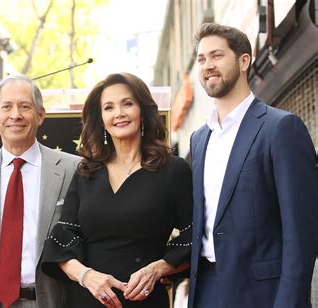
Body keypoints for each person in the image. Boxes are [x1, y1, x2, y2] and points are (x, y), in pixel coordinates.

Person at [188, 23, 318, 308]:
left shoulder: (281, 128)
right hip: (206, 291)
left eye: (217, 55)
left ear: (244, 60)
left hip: (262, 295)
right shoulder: (199, 140)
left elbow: (303, 233)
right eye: (201, 59)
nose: (207, 65)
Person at [41, 72, 192, 308]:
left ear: (143, 111)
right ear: (101, 118)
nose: (119, 113)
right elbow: (61, 243)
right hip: (86, 300)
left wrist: (159, 268)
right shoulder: (86, 173)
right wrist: (87, 276)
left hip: (144, 301)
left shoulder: (174, 170)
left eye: (127, 104)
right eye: (109, 107)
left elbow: (194, 236)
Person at [0, 74, 79, 308]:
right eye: (6, 107)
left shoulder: (72, 169)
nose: (15, 115)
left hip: (47, 301)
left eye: (25, 106)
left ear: (41, 115)